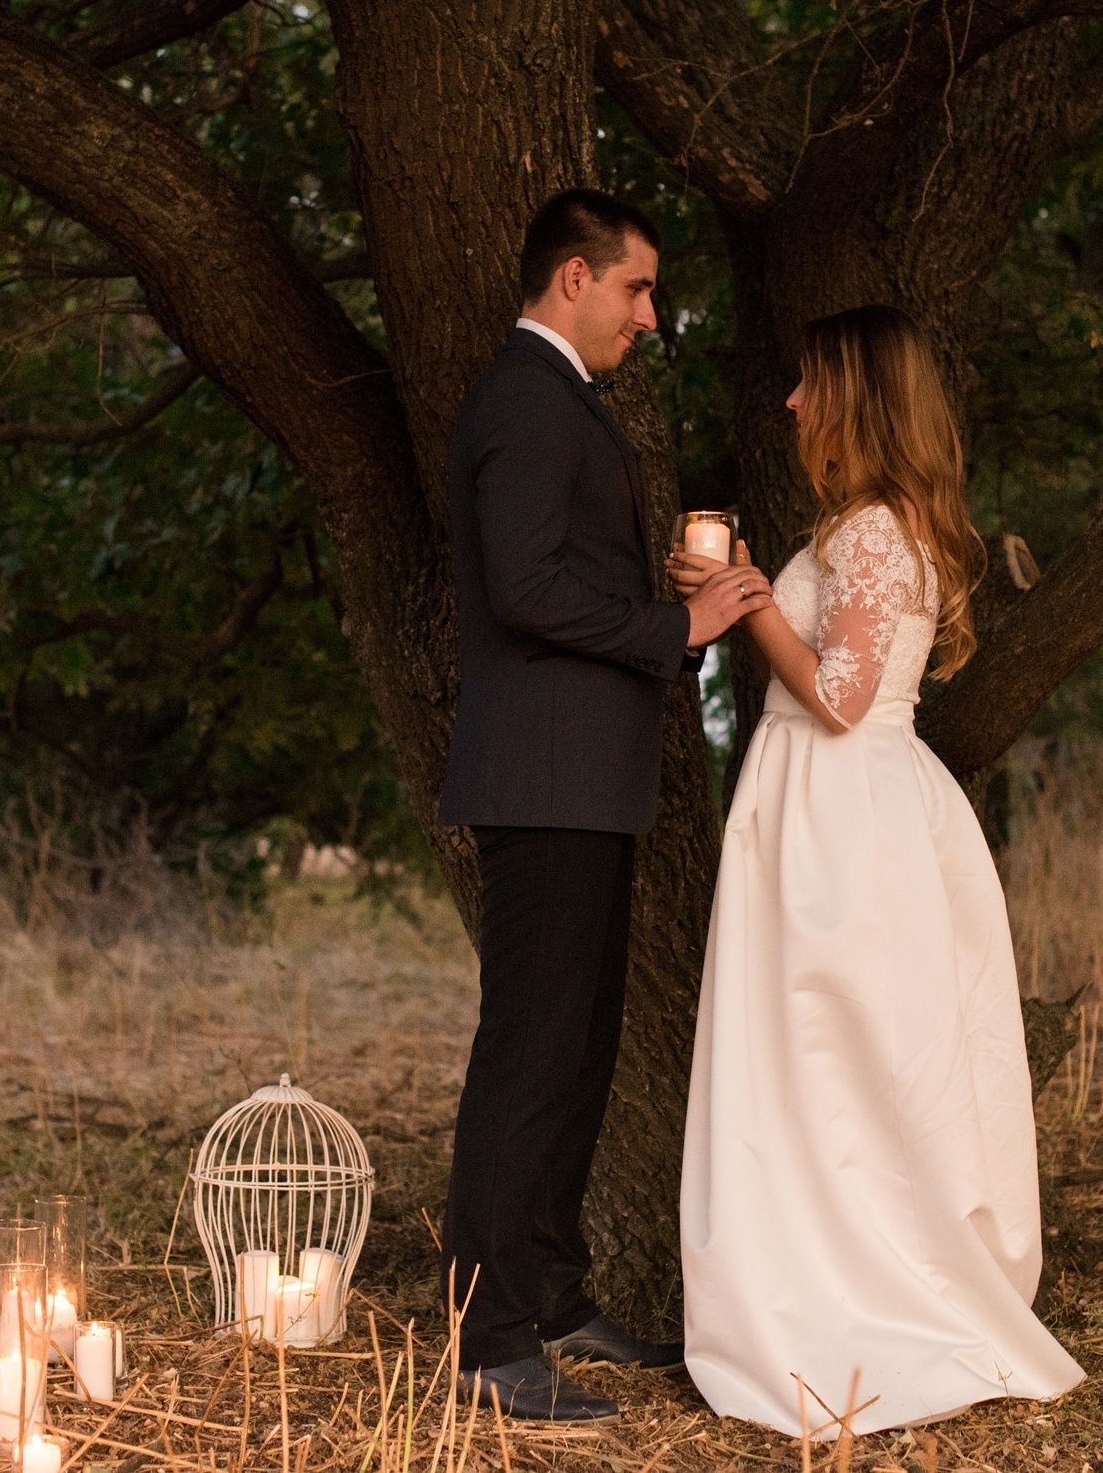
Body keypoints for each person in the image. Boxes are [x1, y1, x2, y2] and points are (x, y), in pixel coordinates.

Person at [671, 304, 1084, 1436]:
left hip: (841, 815)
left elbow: (843, 698)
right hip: (839, 805)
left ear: (856, 397)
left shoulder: (870, 534)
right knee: (831, 1061)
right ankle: (828, 1269)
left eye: (811, 384)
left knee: (829, 1052)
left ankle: (852, 1294)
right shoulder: (868, 524)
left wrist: (747, 607)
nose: (794, 403)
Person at [437, 187, 773, 1423]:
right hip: (542, 775)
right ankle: (486, 1334)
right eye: (636, 288)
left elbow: (561, 576)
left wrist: (681, 607)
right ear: (572, 279)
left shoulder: (565, 402)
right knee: (530, 1049)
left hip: (586, 775)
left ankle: (553, 1289)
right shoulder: (525, 401)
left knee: (578, 1049)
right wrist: (669, 624)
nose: (650, 313)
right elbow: (523, 587)